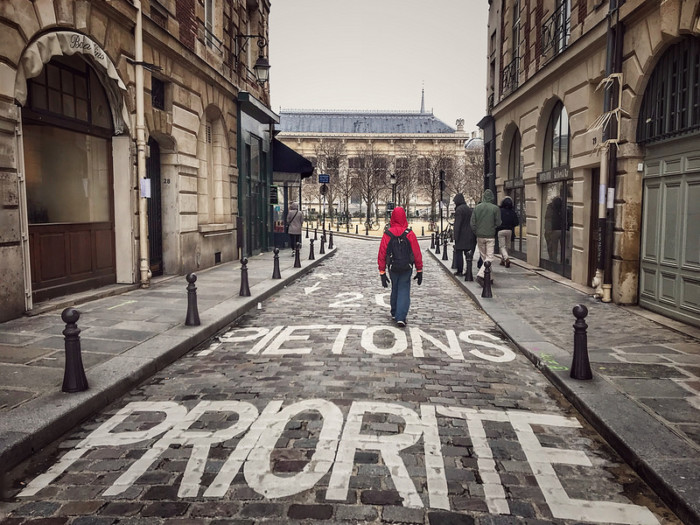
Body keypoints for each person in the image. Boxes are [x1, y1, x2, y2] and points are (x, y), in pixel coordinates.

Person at [378, 206, 423, 327]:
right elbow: (416, 252)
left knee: (395, 287)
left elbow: (382, 253)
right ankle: (401, 315)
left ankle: (394, 312)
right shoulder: (410, 234)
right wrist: (419, 269)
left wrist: (382, 272)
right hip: (407, 266)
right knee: (404, 288)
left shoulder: (388, 234)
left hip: (392, 266)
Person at [470, 189, 501, 286]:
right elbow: (498, 222)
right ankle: (480, 275)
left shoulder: (477, 208)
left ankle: (489, 277)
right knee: (490, 257)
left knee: (484, 257)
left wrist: (477, 232)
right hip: (490, 236)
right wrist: (493, 228)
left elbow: (472, 223)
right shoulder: (495, 208)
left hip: (480, 236)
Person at [452, 193, 476, 276]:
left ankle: (460, 270)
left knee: (459, 253)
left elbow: (457, 224)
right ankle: (468, 270)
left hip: (461, 235)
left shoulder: (459, 210)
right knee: (468, 254)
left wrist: (455, 236)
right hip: (469, 235)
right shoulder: (468, 209)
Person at [497, 196, 519, 268]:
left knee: (502, 246)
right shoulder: (512, 212)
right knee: (507, 246)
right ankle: (503, 260)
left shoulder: (499, 211)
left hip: (501, 230)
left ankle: (506, 258)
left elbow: (496, 221)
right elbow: (516, 222)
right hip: (509, 230)